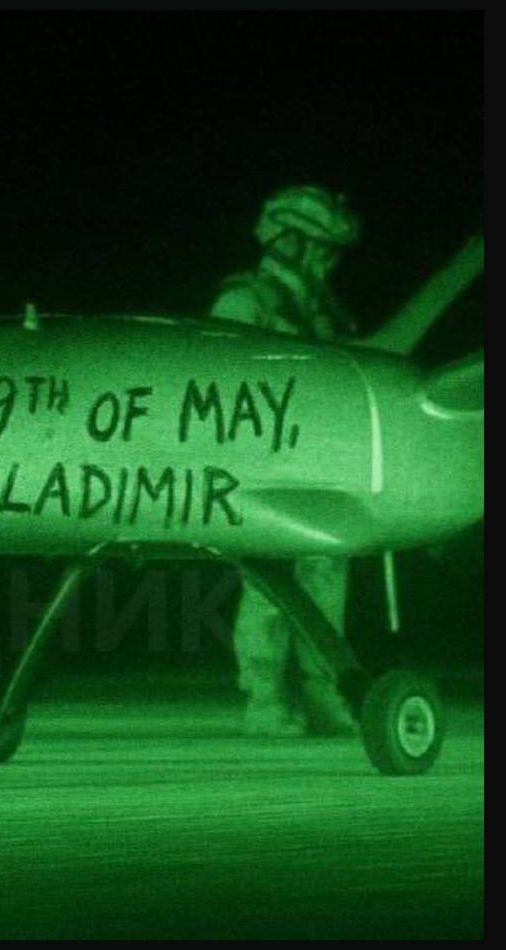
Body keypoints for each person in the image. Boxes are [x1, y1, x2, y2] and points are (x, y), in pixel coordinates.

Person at [210, 184, 361, 737]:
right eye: (320, 247)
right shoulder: (244, 302)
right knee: (269, 585)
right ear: (287, 241)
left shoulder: (326, 311)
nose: (329, 260)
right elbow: (220, 387)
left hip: (321, 464)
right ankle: (265, 697)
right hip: (263, 466)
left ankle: (326, 693)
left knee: (325, 580)